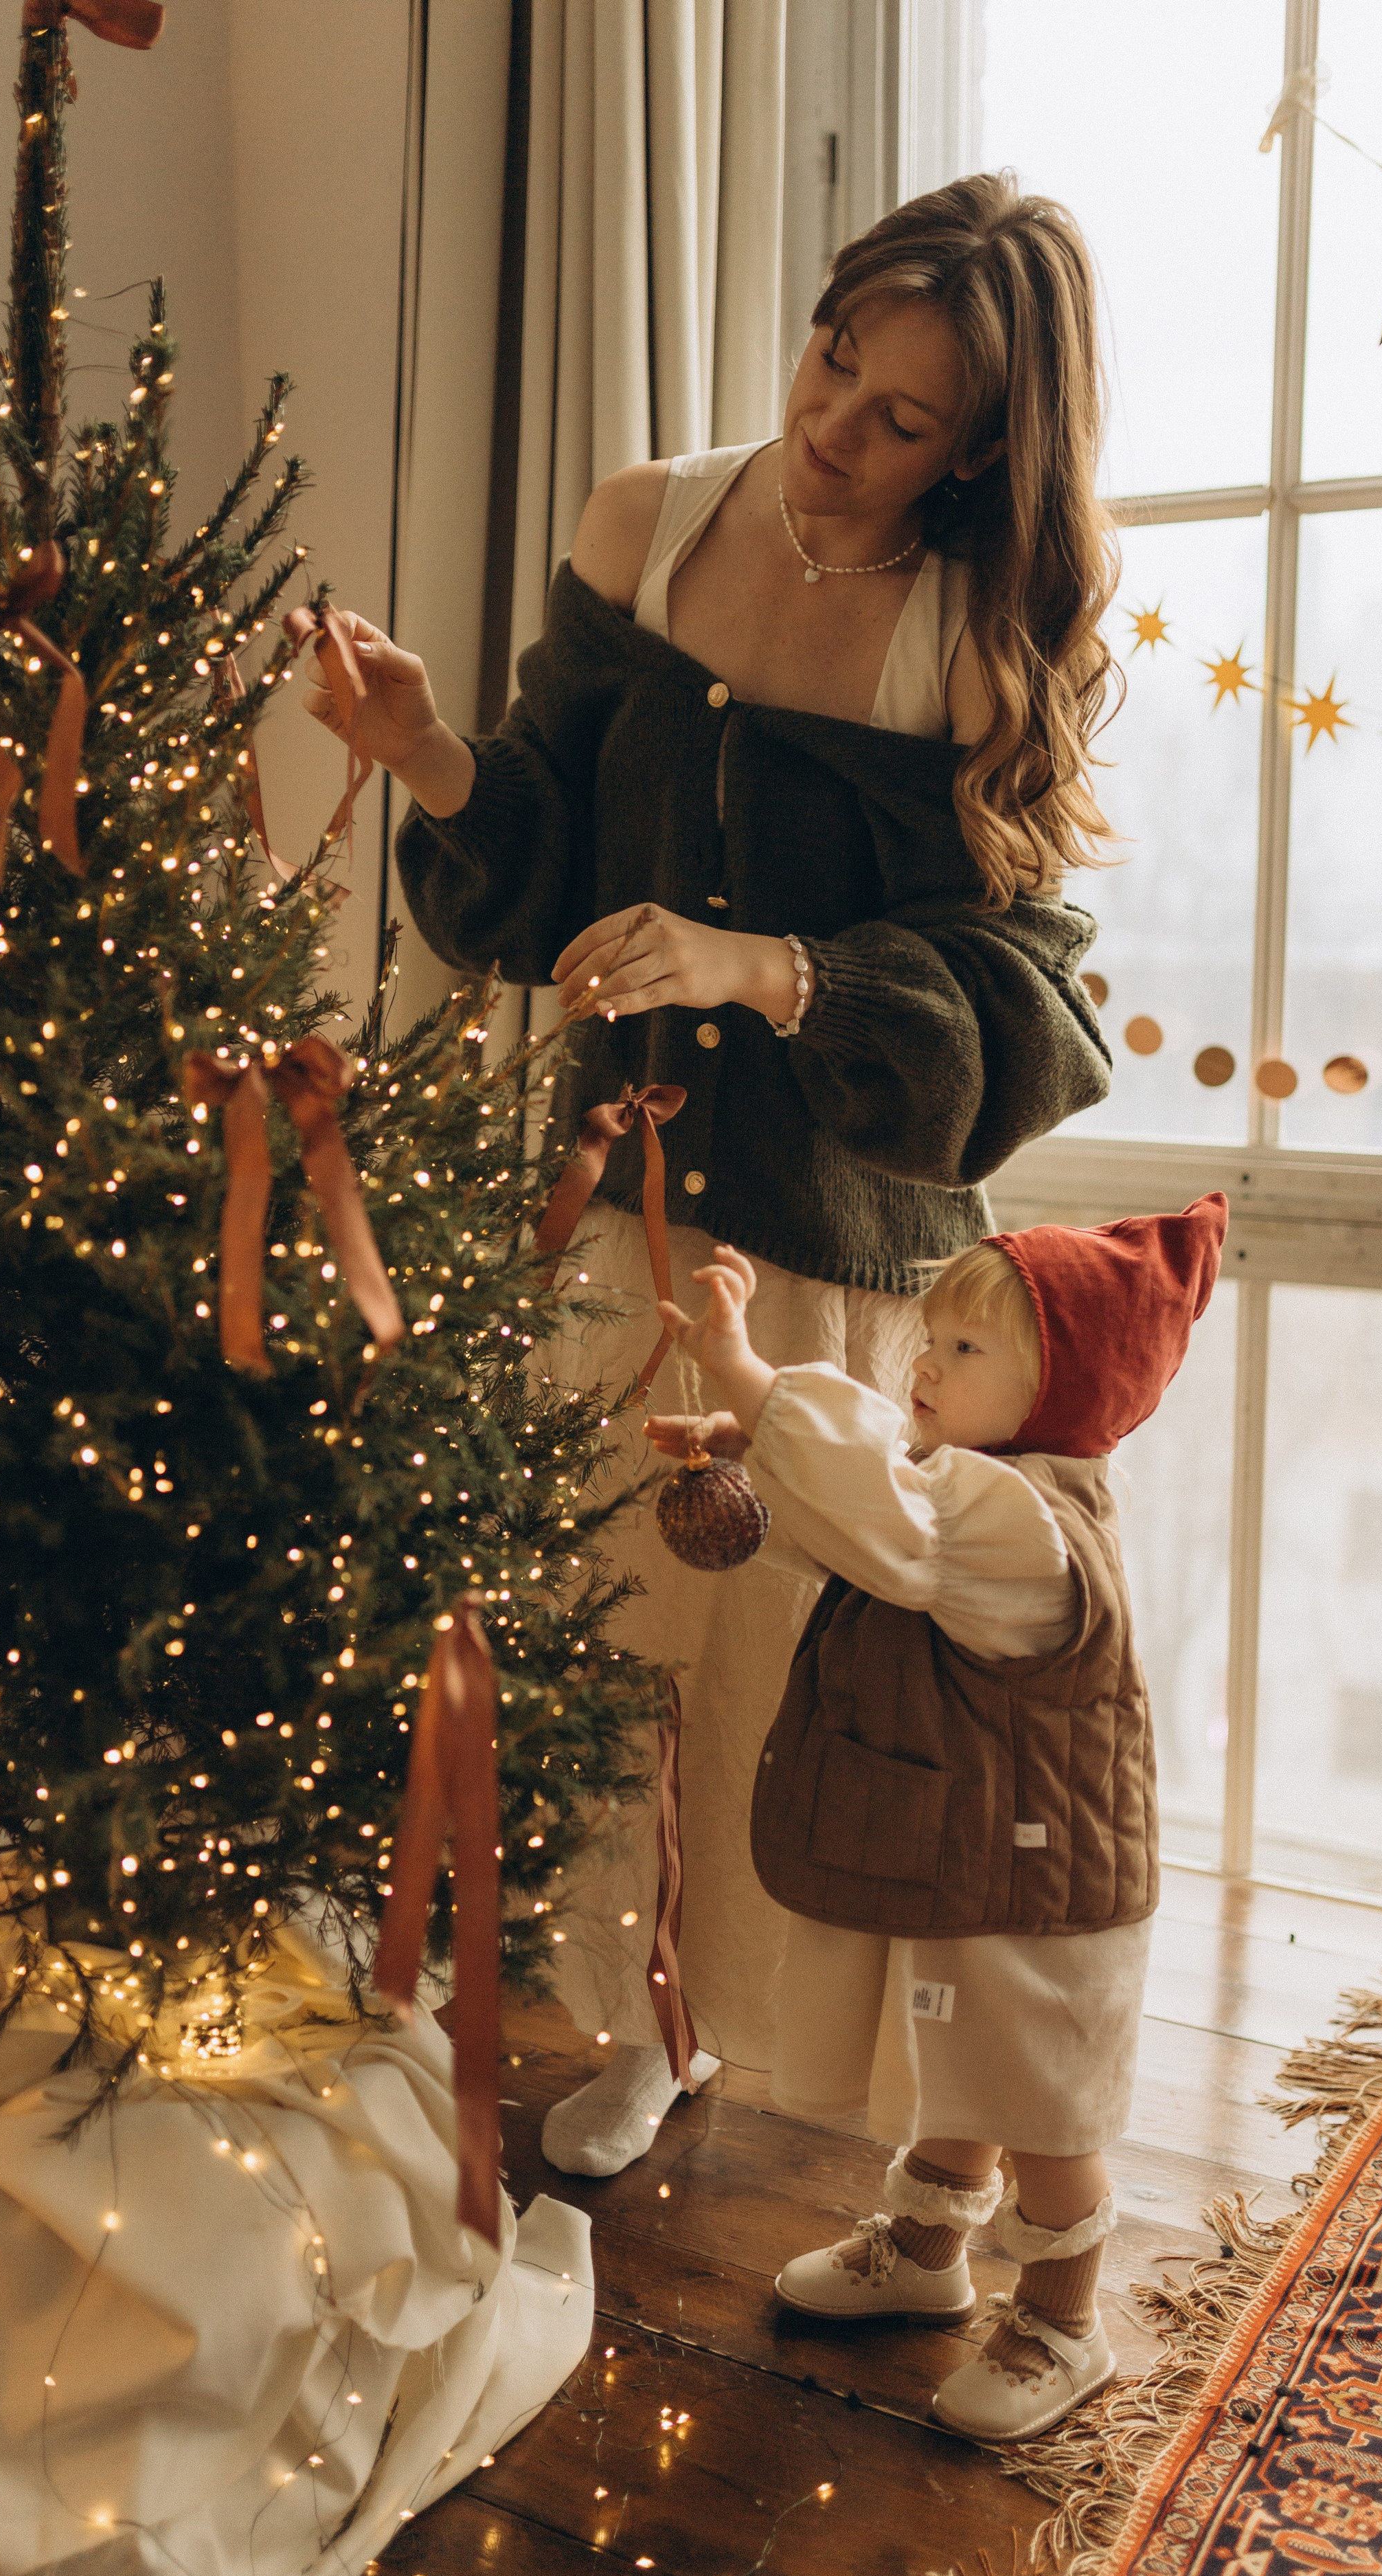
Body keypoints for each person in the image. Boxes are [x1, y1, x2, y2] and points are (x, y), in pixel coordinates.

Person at [302, 175, 1120, 2176]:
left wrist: (780, 970)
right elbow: (540, 871)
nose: (833, 427)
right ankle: (649, 2023)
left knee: (804, 1684)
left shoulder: (982, 633)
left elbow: (1041, 1010)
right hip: (620, 1224)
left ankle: (851, 2081)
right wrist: (427, 758)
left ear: (985, 448)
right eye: (836, 358)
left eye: (901, 416)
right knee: (602, 1660)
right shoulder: (643, 523)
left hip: (842, 1262)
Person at [644, 1194, 1227, 2442]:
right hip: (972, 1857)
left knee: (1044, 2105)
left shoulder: (1031, 1525)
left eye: (968, 1353)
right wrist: (750, 1443)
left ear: (1056, 1395)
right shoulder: (971, 1487)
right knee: (956, 2056)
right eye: (936, 1337)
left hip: (1041, 1886)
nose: (927, 1363)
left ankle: (1067, 2325)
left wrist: (753, 1377)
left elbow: (895, 1526)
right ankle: (925, 2252)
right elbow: (874, 1512)